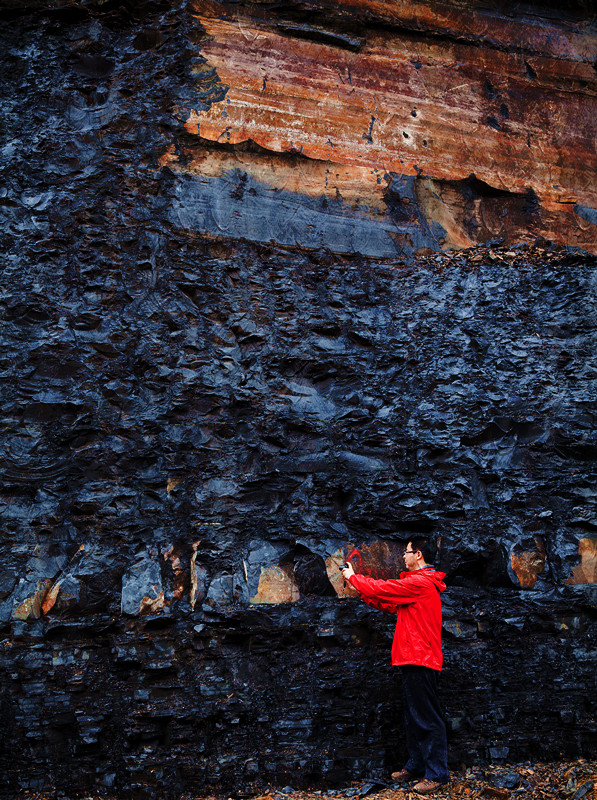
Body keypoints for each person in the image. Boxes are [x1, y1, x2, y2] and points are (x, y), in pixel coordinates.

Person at [341, 537, 449, 795]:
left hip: (420, 658)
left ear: (418, 555)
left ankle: (437, 774)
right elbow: (389, 602)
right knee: (414, 717)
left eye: (407, 552)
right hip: (414, 657)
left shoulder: (421, 582)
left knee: (427, 717)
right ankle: (417, 764)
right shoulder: (418, 585)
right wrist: (363, 594)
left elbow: (385, 589)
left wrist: (354, 578)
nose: (403, 556)